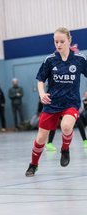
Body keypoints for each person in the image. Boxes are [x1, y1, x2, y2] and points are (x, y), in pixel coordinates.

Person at [25, 27, 87, 177]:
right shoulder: (50, 60)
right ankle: (33, 164)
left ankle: (65, 150)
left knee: (66, 126)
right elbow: (40, 79)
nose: (58, 44)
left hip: (71, 103)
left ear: (69, 41)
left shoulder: (79, 59)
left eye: (62, 41)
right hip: (52, 104)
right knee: (41, 138)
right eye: (56, 42)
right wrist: (41, 93)